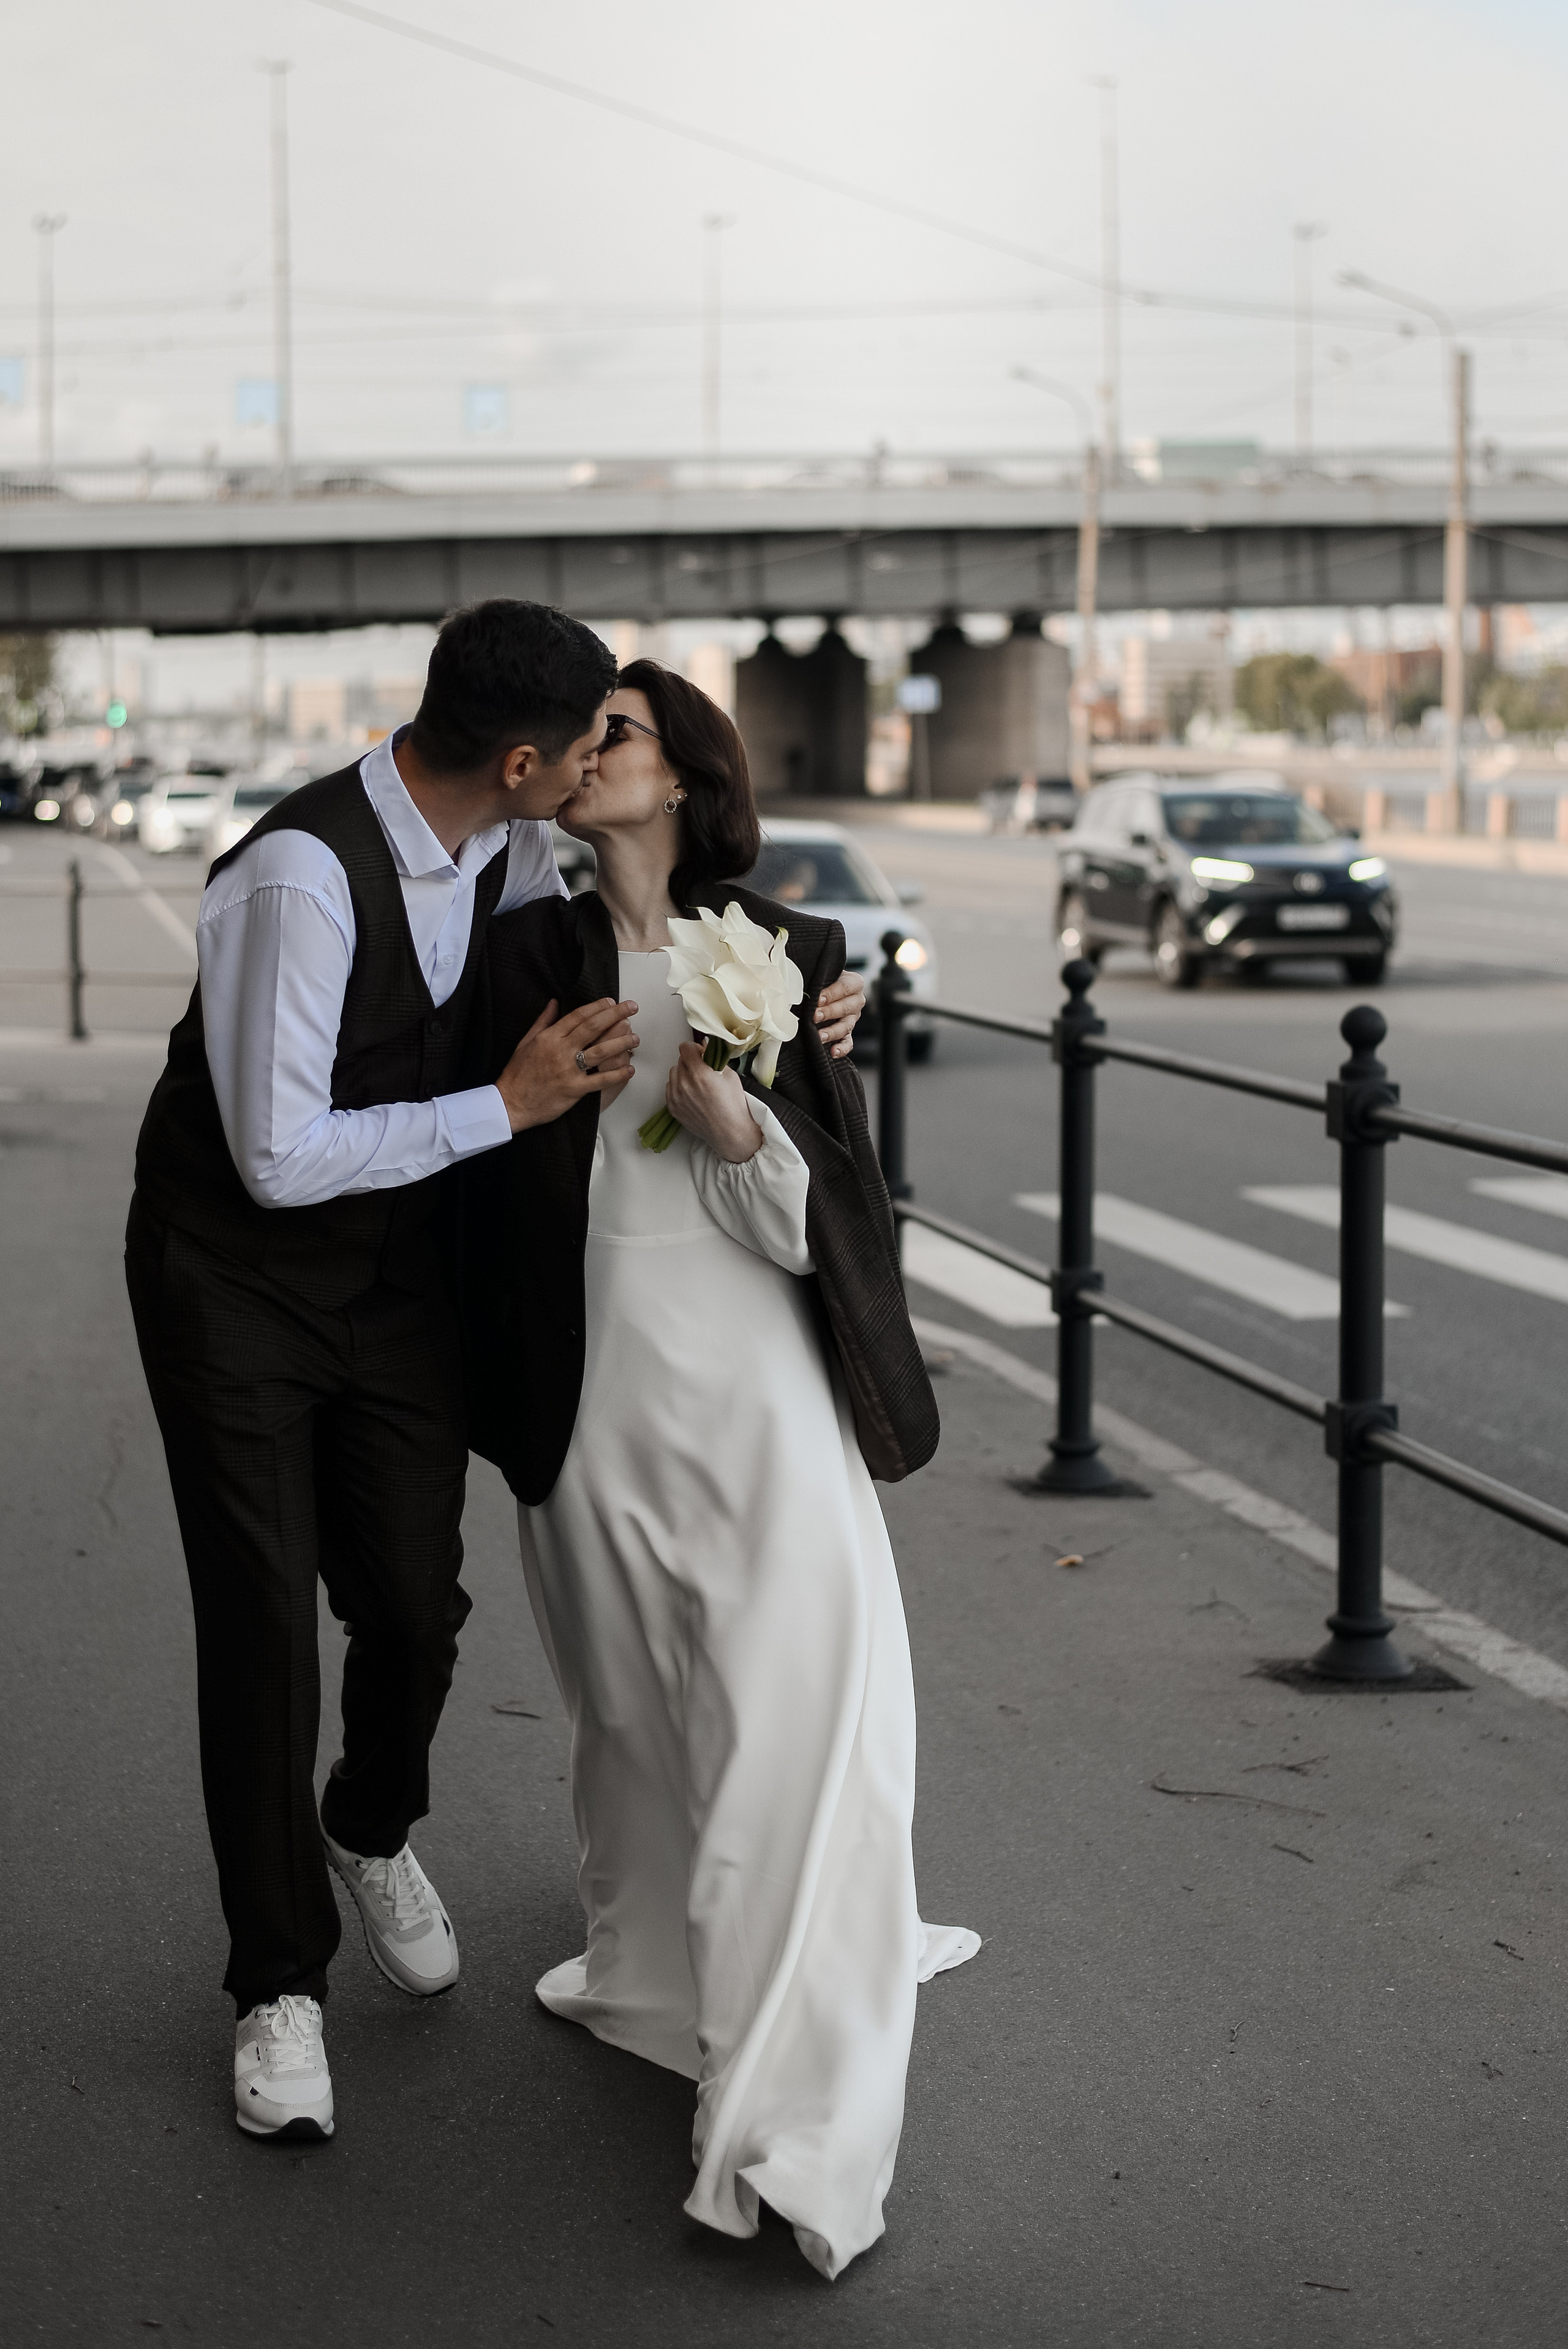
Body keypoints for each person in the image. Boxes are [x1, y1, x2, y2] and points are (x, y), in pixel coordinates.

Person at [124, 597, 875, 2143]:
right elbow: (273, 1160)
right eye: (590, 734)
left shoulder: (516, 845)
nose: (606, 751)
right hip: (237, 1283)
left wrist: (825, 1003)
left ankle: (369, 1819)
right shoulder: (296, 880)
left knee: (412, 1602)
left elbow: (689, 907)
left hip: (397, 1283)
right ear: (522, 756)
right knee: (264, 1619)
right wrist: (512, 1104)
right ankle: (277, 1988)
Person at [456, 660, 979, 2280]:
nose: (584, 754)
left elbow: (827, 1220)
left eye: (614, 733)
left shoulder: (796, 955)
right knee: (633, 1720)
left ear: (681, 772)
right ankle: (668, 1972)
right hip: (592, 1397)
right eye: (578, 737)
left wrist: (746, 1124)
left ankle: (791, 2133)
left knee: (797, 1725)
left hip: (757, 1396)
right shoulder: (514, 953)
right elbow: (454, 1159)